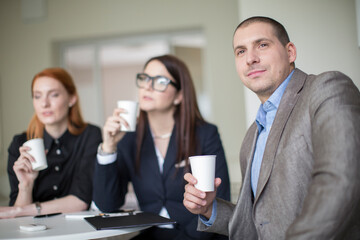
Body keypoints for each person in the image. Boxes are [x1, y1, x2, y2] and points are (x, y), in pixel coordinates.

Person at [183, 16, 360, 239]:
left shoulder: (325, 90)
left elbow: (341, 183)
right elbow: (259, 223)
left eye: (262, 45)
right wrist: (209, 208)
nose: (250, 59)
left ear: (290, 52)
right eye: (241, 51)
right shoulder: (251, 137)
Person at [93, 54, 231, 240]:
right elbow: (107, 205)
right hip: (150, 234)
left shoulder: (205, 134)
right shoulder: (129, 139)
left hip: (197, 235)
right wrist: (108, 148)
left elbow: (219, 200)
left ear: (179, 96)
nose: (147, 86)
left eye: (160, 81)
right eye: (145, 79)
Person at [2, 67, 102, 218]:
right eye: (37, 96)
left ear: (71, 98)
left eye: (54, 95)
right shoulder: (20, 144)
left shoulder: (90, 135)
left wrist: (22, 211)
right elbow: (19, 220)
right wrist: (26, 185)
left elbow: (81, 201)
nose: (44, 104)